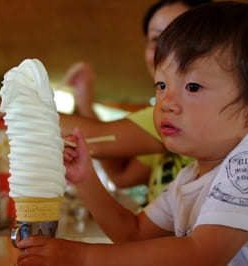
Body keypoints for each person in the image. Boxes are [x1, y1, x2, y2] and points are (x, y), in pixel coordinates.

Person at [17, 2, 248, 265]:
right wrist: (86, 179)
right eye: (161, 85)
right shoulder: (189, 178)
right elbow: (133, 233)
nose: (166, 103)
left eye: (193, 87)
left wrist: (84, 257)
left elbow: (201, 255)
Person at [61, 0, 210, 205]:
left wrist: (20, 109)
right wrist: (84, 102)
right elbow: (121, 174)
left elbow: (96, 137)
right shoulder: (167, 124)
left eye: (180, 36)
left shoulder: (181, 112)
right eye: (157, 38)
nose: (165, 49)